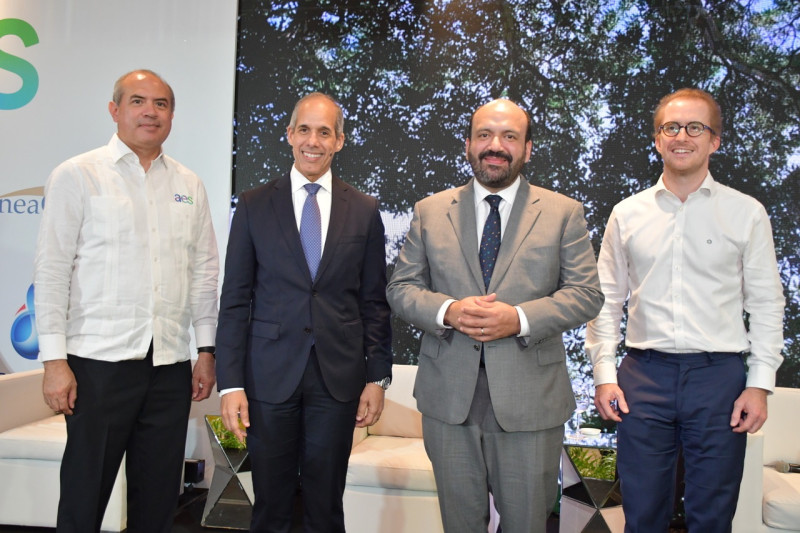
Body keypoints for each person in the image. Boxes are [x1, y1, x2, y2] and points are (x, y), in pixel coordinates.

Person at [386, 98, 604, 532]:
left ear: (527, 148)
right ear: (468, 144)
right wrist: (448, 311)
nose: (495, 145)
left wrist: (519, 319)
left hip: (531, 400)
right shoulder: (430, 210)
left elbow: (586, 294)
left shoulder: (563, 212)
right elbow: (400, 288)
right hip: (448, 401)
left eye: (509, 136)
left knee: (525, 524)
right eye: (484, 135)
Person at [585, 88, 785, 532]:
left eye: (696, 127)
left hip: (720, 381)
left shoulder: (746, 213)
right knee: (641, 514)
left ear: (714, 140)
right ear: (657, 139)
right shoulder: (627, 213)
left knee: (711, 517)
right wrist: (604, 374)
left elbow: (768, 303)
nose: (682, 136)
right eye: (671, 127)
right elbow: (605, 299)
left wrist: (760, 384)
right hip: (644, 376)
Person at [34, 69, 219, 533]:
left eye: (161, 104)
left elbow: (204, 273)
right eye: (138, 101)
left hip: (170, 363)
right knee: (83, 494)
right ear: (114, 110)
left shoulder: (189, 183)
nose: (150, 112)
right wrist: (54, 361)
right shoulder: (77, 175)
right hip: (97, 365)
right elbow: (52, 270)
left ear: (172, 116)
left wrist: (206, 350)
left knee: (158, 499)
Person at [215, 92, 393, 533]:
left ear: (340, 141)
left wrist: (377, 377)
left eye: (325, 132)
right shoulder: (254, 204)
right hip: (268, 376)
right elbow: (235, 298)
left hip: (337, 378)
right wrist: (230, 383)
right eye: (305, 129)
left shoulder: (366, 209)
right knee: (270, 505)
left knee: (325, 505)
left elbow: (374, 301)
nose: (313, 140)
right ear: (290, 134)